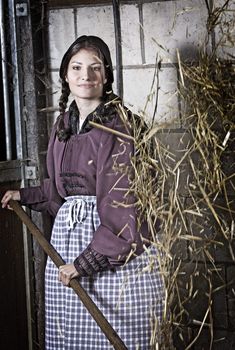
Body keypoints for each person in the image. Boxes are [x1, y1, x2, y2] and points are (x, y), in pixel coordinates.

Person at [1, 35, 164, 349]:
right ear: (65, 75)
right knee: (74, 336)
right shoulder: (64, 124)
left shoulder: (121, 127)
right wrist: (27, 195)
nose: (85, 76)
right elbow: (62, 192)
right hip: (70, 245)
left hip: (114, 251)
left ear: (106, 76)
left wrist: (86, 263)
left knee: (114, 332)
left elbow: (124, 206)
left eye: (95, 68)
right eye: (77, 67)